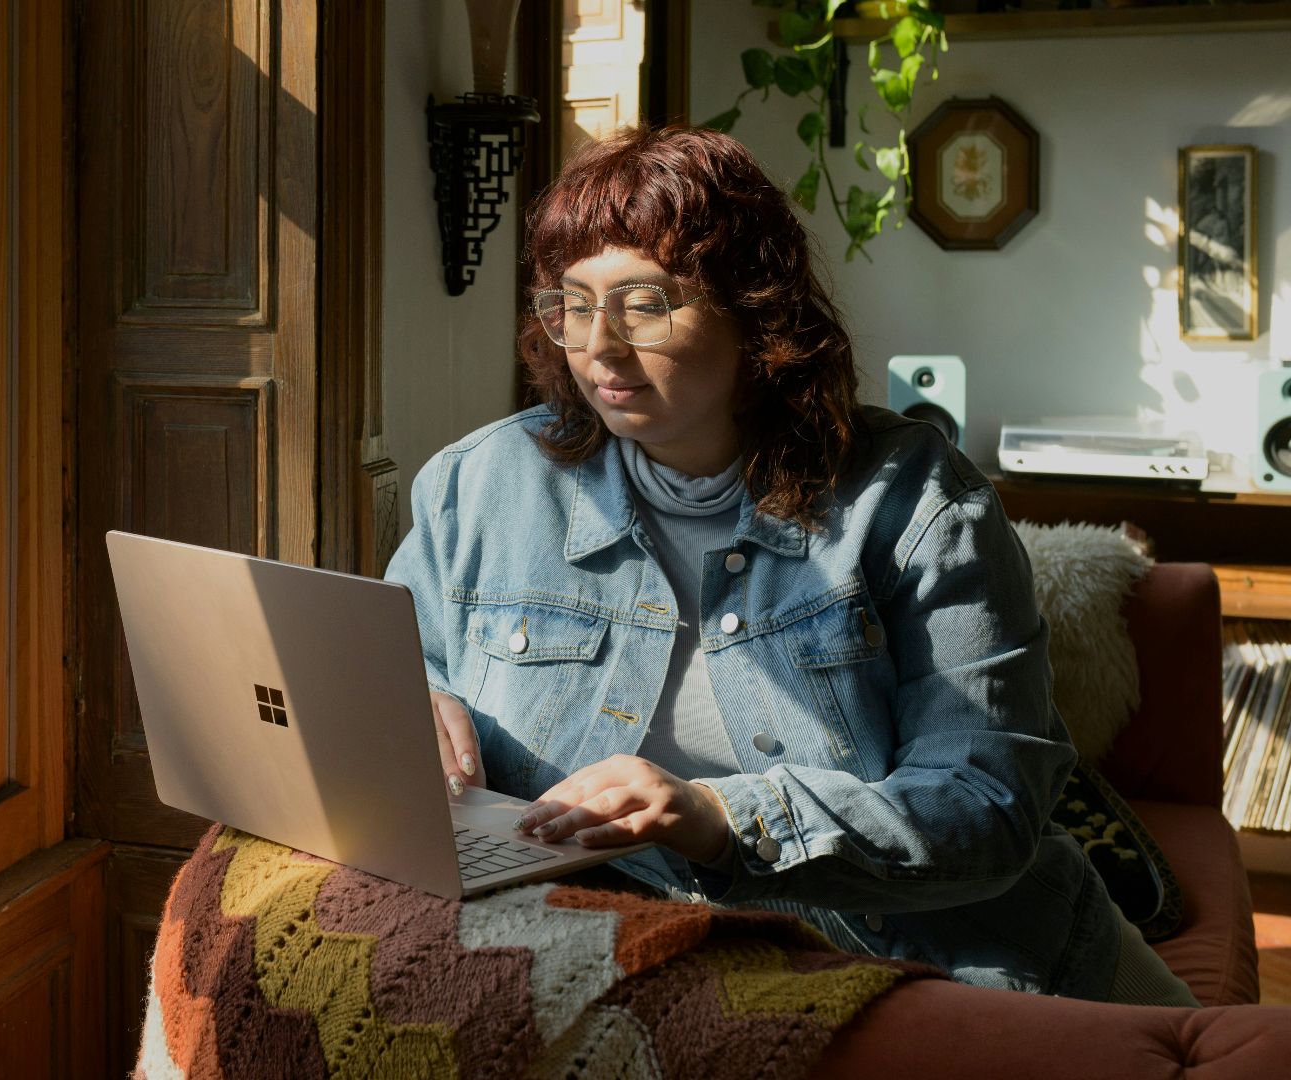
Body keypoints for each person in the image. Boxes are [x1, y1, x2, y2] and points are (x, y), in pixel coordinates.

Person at [382, 125, 1196, 1006]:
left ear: (755, 309)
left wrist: (724, 818)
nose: (599, 347)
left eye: (644, 304)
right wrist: (410, 705)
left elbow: (984, 805)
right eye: (572, 305)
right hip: (592, 947)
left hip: (912, 959)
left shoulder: (917, 502)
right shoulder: (481, 483)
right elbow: (401, 661)